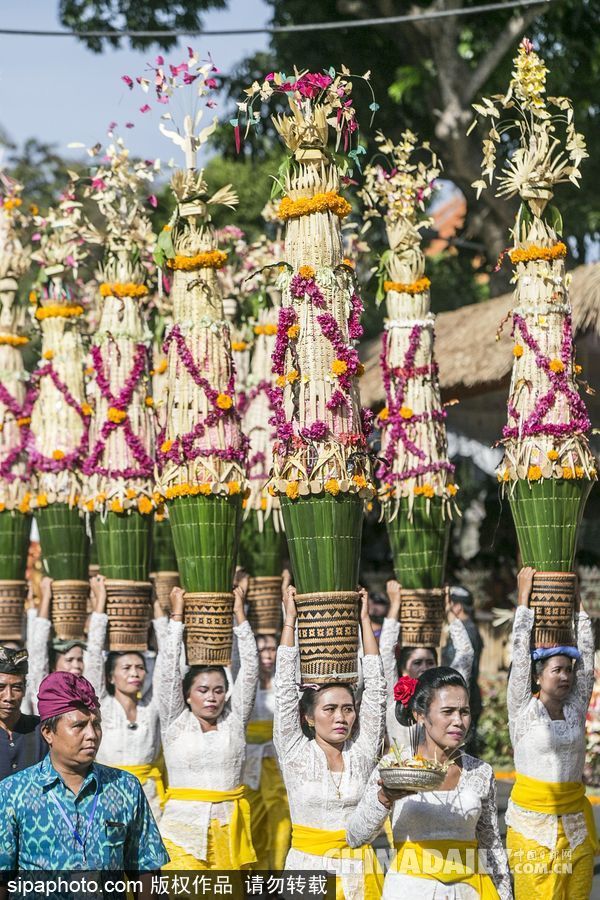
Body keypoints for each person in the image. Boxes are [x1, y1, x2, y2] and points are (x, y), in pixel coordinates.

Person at [346, 666, 512, 899]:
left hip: (469, 891)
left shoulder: (480, 772)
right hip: (408, 891)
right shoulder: (395, 767)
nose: (458, 721)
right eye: (448, 711)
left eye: (464, 712)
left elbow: (491, 846)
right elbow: (355, 837)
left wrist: (505, 895)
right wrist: (384, 798)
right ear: (420, 715)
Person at [274, 584, 387, 899]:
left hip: (360, 874)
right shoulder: (294, 751)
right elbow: (284, 689)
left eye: (348, 709)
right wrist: (290, 620)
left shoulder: (362, 752)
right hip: (306, 872)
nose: (341, 717)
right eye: (330, 709)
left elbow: (377, 689)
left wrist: (364, 621)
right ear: (309, 717)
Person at [0, 670, 168, 878]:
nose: (92, 735)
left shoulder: (126, 787)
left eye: (96, 724)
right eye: (79, 726)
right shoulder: (13, 792)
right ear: (48, 733)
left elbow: (147, 872)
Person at [506, 566, 597, 899]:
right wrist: (523, 600)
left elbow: (587, 658)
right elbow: (520, 655)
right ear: (538, 676)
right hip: (531, 827)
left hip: (575, 826)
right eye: (557, 670)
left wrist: (577, 603)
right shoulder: (523, 710)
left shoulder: (574, 708)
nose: (566, 677)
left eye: (568, 671)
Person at [157, 580, 259, 870]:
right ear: (187, 695)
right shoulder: (176, 722)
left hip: (229, 831)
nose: (212, 697)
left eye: (218, 690)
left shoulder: (234, 721)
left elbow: (250, 670)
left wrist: (240, 615)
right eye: (203, 690)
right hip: (180, 832)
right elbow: (167, 671)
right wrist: (177, 618)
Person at [84, 575, 166, 819]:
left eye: (140, 667)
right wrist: (100, 603)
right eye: (126, 668)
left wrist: (156, 606)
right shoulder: (102, 706)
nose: (134, 673)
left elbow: (168, 661)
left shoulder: (151, 706)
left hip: (150, 799)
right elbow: (94, 656)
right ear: (110, 677)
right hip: (105, 794)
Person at [380, 580, 474, 748]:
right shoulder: (394, 696)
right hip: (402, 764)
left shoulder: (446, 694)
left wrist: (448, 610)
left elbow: (465, 653)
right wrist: (395, 605)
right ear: (403, 669)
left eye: (430, 662)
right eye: (417, 662)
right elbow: (386, 653)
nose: (424, 667)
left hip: (442, 763)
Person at [241, 630, 292, 870]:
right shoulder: (242, 682)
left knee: (281, 815)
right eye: (262, 650)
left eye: (272, 649)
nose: (268, 655)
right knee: (254, 816)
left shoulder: (284, 683)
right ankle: (257, 873)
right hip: (249, 762)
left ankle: (278, 870)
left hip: (275, 762)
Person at [26, 577, 86, 714]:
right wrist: (46, 597)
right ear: (53, 665)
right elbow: (37, 648)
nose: (76, 665)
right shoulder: (43, 690)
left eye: (80, 659)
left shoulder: (87, 692)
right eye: (69, 660)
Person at [442, 585, 484, 750]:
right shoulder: (471, 627)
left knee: (461, 751)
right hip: (465, 697)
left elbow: (462, 664)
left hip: (463, 698)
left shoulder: (466, 630)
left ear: (457, 607)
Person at [0, 646, 46, 780]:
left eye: (16, 688)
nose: (9, 697)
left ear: (25, 689)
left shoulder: (42, 730)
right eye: (1, 687)